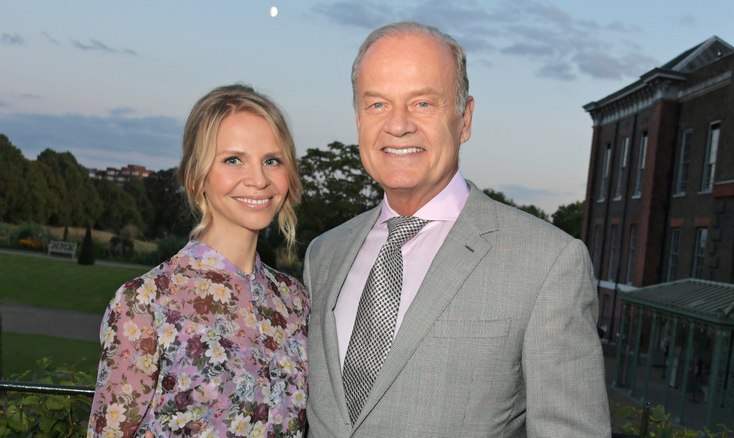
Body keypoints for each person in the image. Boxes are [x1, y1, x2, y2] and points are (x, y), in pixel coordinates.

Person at [303, 21, 610, 437]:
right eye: (377, 104)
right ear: (358, 116)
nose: (397, 125)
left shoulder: (549, 263)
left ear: (464, 119)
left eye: (423, 103)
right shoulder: (324, 254)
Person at [87, 84, 309, 438]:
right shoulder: (145, 303)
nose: (258, 179)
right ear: (196, 177)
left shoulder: (295, 301)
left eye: (272, 160)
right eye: (233, 159)